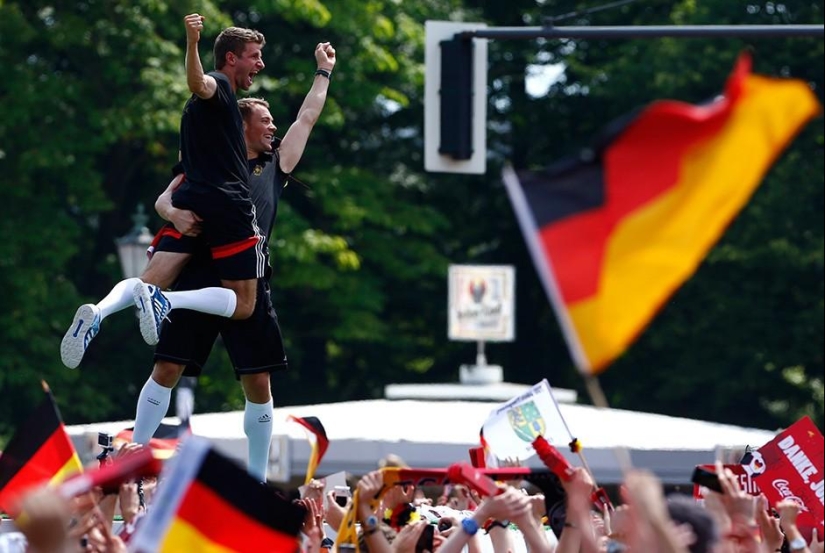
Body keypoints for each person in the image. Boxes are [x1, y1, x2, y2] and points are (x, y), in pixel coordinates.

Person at [130, 41, 336, 484]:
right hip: (203, 271)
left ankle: (257, 481)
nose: (273, 128)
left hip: (249, 274)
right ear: (237, 125)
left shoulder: (277, 163)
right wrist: (168, 212)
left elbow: (308, 117)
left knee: (257, 381)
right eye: (264, 121)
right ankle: (133, 465)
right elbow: (167, 199)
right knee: (166, 367)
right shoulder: (209, 162)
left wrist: (323, 72)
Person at [61, 13, 268, 369]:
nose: (260, 64)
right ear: (231, 58)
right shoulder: (219, 88)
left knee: (146, 280)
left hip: (191, 201)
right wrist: (192, 43)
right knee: (245, 304)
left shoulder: (197, 116)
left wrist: (170, 209)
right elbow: (198, 82)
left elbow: (180, 172)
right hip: (228, 204)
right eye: (254, 56)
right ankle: (165, 303)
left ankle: (97, 312)